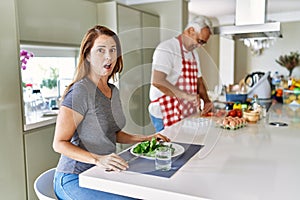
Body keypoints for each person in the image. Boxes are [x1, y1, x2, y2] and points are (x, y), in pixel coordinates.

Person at [52, 25, 170, 200]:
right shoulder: (80, 92)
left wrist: (146, 138)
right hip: (74, 177)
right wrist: (97, 159)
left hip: (101, 173)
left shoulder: (112, 91)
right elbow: (59, 143)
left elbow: (113, 134)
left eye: (113, 50)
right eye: (101, 50)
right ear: (88, 56)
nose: (109, 56)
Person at [148, 15, 214, 132]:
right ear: (191, 30)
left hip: (185, 110)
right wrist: (186, 96)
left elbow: (199, 81)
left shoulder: (194, 54)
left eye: (203, 43)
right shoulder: (167, 48)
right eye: (199, 41)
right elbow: (157, 81)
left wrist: (207, 100)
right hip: (165, 110)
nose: (199, 46)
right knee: (169, 147)